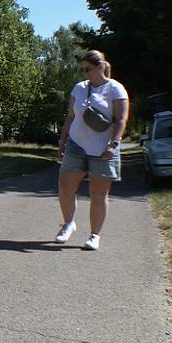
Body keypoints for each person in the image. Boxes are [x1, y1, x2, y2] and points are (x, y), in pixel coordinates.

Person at [55, 50, 129, 250]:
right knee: (65, 188)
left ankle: (94, 235)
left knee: (98, 194)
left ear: (99, 67)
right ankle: (69, 224)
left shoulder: (115, 89)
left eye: (87, 68)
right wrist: (62, 140)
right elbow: (71, 116)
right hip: (76, 145)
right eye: (83, 69)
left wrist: (114, 144)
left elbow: (121, 120)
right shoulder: (79, 88)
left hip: (103, 148)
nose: (85, 72)